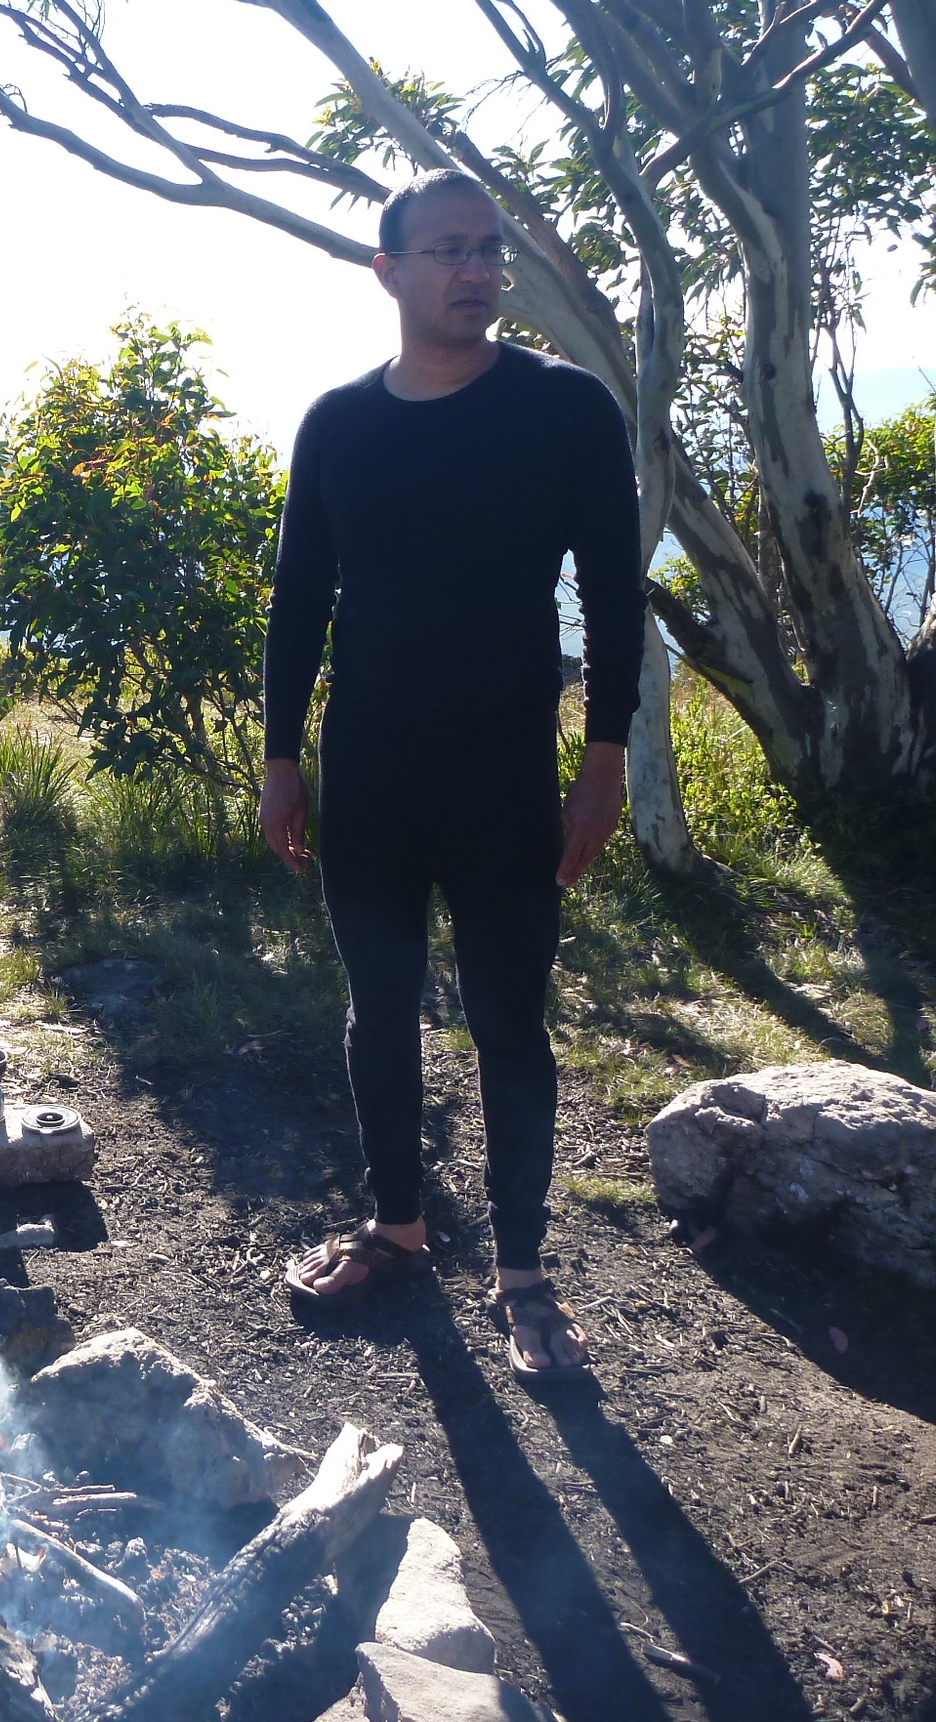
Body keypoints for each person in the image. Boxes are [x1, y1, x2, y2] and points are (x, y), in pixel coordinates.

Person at [258, 168, 643, 1377]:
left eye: (489, 250)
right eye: (447, 250)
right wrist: (280, 759)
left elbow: (613, 591)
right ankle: (398, 1228)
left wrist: (604, 757)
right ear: (390, 272)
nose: (476, 270)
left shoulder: (563, 408)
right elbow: (298, 602)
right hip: (367, 762)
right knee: (377, 1011)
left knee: (506, 1021)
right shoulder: (337, 423)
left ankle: (521, 1272)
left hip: (504, 767)